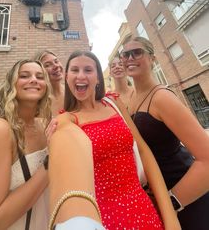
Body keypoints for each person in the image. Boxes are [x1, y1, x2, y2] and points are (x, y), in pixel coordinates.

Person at [55, 50, 181, 230]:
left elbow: (144, 152)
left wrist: (170, 216)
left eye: (88, 70)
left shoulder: (114, 104)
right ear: (66, 77)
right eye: (74, 70)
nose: (81, 75)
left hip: (142, 207)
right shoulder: (67, 120)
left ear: (98, 78)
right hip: (104, 218)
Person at [121, 36, 209, 230]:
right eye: (125, 54)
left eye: (137, 52)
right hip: (159, 193)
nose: (129, 58)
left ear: (153, 59)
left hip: (186, 195)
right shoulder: (132, 97)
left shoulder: (162, 98)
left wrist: (171, 203)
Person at [0, 59, 52, 230]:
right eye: (24, 76)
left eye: (40, 76)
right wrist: (50, 165)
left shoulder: (43, 125)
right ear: (10, 84)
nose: (33, 80)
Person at [47, 112, 105, 230]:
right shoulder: (65, 121)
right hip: (97, 209)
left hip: (138, 203)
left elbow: (142, 149)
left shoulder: (112, 103)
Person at [35, 50, 64, 116]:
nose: (56, 66)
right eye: (47, 65)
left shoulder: (72, 92)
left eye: (56, 61)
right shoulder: (38, 100)